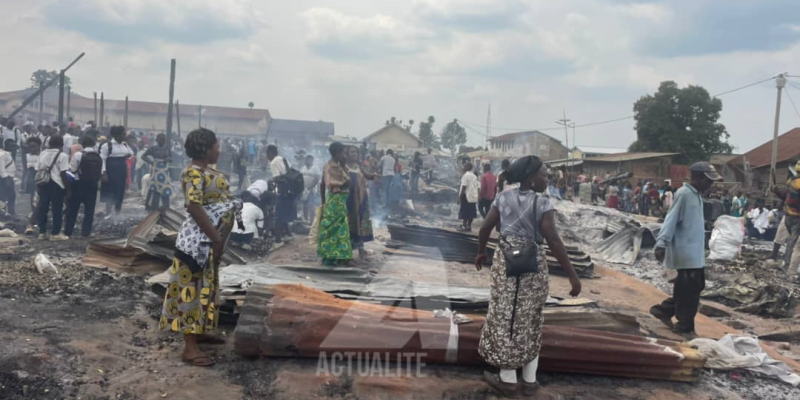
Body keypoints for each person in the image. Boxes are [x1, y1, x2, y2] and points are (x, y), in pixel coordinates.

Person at [474, 155, 581, 397]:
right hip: (532, 266)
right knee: (530, 319)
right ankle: (530, 381)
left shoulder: (503, 198)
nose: (547, 178)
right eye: (544, 174)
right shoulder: (543, 204)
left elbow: (484, 228)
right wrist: (572, 275)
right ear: (531, 179)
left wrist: (481, 252)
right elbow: (553, 240)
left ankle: (508, 380)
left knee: (505, 318)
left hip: (506, 265)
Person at [159, 128, 242, 367]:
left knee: (207, 287)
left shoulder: (209, 170)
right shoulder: (192, 173)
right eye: (216, 146)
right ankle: (190, 348)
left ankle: (201, 331)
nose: (219, 150)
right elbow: (194, 206)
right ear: (205, 149)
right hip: (198, 243)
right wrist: (215, 237)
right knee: (192, 290)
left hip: (211, 241)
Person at [650, 162, 721, 336]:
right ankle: (684, 327)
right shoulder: (684, 194)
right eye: (708, 181)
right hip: (685, 253)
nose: (710, 185)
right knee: (689, 292)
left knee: (692, 287)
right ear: (697, 177)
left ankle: (664, 310)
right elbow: (670, 219)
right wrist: (661, 243)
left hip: (694, 254)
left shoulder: (695, 195)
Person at [318, 142, 352, 265]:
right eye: (343, 153)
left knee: (335, 227)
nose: (345, 155)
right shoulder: (332, 167)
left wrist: (323, 202)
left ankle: (337, 257)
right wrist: (323, 202)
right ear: (337, 153)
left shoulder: (337, 165)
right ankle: (334, 257)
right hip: (336, 200)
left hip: (337, 200)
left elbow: (322, 185)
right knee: (338, 228)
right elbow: (346, 182)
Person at [64, 135, 103, 238]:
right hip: (93, 185)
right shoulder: (99, 156)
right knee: (89, 211)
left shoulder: (78, 155)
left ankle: (68, 232)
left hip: (79, 185)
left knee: (73, 210)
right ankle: (86, 233)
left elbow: (72, 170)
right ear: (93, 144)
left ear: (83, 144)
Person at [35, 135, 71, 241]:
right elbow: (63, 173)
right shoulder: (62, 155)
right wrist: (68, 189)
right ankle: (55, 233)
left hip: (43, 183)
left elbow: (38, 169)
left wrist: (37, 186)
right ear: (61, 144)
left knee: (43, 208)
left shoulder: (42, 153)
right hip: (56, 184)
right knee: (57, 209)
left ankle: (42, 232)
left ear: (49, 143)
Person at [345, 146, 375, 262]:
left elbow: (366, 176)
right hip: (349, 199)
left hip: (361, 199)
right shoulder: (344, 168)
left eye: (356, 152)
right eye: (352, 152)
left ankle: (361, 249)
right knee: (350, 224)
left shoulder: (359, 167)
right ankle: (348, 251)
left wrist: (372, 177)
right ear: (346, 154)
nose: (355, 154)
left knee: (361, 223)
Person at [100, 126, 133, 218]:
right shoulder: (107, 146)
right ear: (117, 135)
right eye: (123, 134)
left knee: (120, 192)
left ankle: (118, 212)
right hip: (110, 171)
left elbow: (131, 155)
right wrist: (104, 172)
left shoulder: (125, 144)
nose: (125, 136)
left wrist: (128, 155)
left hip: (121, 171)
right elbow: (103, 159)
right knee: (110, 192)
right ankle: (108, 213)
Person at [267, 145, 295, 242]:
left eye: (267, 154)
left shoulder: (274, 162)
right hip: (290, 191)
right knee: (284, 213)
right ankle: (288, 234)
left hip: (282, 192)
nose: (267, 157)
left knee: (278, 215)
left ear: (270, 152)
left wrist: (272, 180)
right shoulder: (283, 159)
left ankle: (278, 240)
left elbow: (277, 178)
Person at [143, 133, 173, 210]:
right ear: (157, 140)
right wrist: (150, 162)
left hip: (165, 172)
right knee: (154, 188)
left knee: (165, 188)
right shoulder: (153, 149)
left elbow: (171, 159)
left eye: (164, 139)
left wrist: (168, 159)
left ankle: (166, 207)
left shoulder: (167, 149)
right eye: (161, 139)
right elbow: (143, 156)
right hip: (155, 170)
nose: (162, 141)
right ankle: (151, 207)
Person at [22, 136, 41, 234]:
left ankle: (36, 216)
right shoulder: (27, 156)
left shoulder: (42, 155)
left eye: (34, 147)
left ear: (38, 146)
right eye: (30, 147)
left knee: (38, 197)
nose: (32, 149)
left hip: (39, 177)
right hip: (30, 178)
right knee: (32, 198)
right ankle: (34, 215)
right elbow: (25, 169)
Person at [458, 163, 479, 231]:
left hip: (465, 196)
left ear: (467, 167)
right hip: (473, 196)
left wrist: (459, 197)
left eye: (464, 166)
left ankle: (464, 226)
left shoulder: (465, 176)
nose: (463, 168)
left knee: (465, 211)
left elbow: (464, 187)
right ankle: (469, 226)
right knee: (471, 212)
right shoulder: (474, 176)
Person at [300, 154, 321, 222]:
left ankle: (311, 220)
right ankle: (305, 219)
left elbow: (317, 179)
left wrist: (309, 187)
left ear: (311, 160)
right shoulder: (303, 168)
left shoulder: (315, 168)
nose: (305, 161)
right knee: (304, 204)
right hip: (304, 189)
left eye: (307, 159)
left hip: (312, 189)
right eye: (305, 159)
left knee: (311, 204)